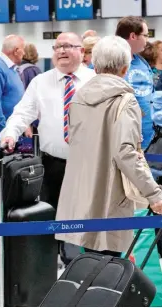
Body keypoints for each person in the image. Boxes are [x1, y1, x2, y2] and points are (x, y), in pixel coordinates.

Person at [57, 35, 162, 256]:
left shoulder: (77, 99)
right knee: (110, 268)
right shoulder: (125, 100)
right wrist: (154, 194)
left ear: (95, 66)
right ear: (125, 68)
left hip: (82, 194)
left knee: (92, 264)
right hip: (111, 195)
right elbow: (127, 152)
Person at [0, 32, 96, 209]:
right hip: (53, 167)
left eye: (67, 46)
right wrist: (10, 134)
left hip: (91, 166)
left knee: (89, 220)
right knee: (55, 223)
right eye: (57, 47)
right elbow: (22, 114)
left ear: (82, 51)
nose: (61, 51)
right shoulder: (40, 82)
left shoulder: (96, 81)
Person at [117, 16, 155, 150]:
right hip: (122, 140)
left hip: (146, 138)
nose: (147, 39)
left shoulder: (141, 61)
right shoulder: (110, 61)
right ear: (133, 36)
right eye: (145, 35)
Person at [0, 35, 26, 158]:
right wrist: (4, 131)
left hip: (12, 132)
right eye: (23, 49)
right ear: (16, 50)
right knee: (0, 174)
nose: (24, 53)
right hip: (0, 135)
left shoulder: (12, 69)